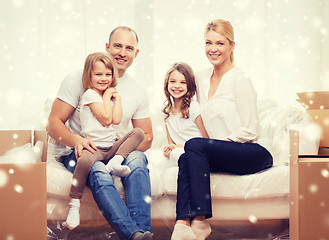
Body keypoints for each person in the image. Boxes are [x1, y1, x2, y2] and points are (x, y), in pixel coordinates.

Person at [171, 19, 273, 240]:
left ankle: (200, 220)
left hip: (252, 151)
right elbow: (187, 109)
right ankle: (182, 223)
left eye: (220, 43)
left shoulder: (240, 79)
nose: (213, 49)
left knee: (194, 147)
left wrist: (214, 147)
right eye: (208, 43)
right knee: (186, 156)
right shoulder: (200, 77)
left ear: (231, 46)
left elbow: (250, 129)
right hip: (217, 150)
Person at [47, 27, 153, 240]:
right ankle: (132, 234)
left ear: (136, 53)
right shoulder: (78, 79)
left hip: (113, 149)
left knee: (139, 160)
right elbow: (53, 123)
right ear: (107, 47)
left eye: (129, 48)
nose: (122, 52)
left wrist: (122, 146)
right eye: (117, 46)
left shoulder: (137, 90)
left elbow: (147, 136)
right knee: (97, 170)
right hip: (79, 151)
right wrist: (77, 139)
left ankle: (142, 231)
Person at [65, 52, 145, 230]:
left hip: (111, 146)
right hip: (95, 148)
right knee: (84, 162)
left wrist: (118, 99)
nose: (104, 79)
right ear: (89, 76)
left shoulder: (108, 95)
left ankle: (116, 162)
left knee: (138, 132)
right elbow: (106, 119)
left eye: (108, 74)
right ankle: (74, 204)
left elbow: (116, 120)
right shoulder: (90, 95)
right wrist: (108, 97)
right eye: (98, 74)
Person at [162, 62, 208, 163]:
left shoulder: (193, 108)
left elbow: (206, 139)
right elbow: (172, 143)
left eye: (183, 82)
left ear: (189, 85)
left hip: (196, 152)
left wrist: (184, 147)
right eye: (173, 81)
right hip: (179, 153)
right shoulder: (168, 114)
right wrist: (170, 148)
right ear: (167, 84)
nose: (177, 86)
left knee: (178, 154)